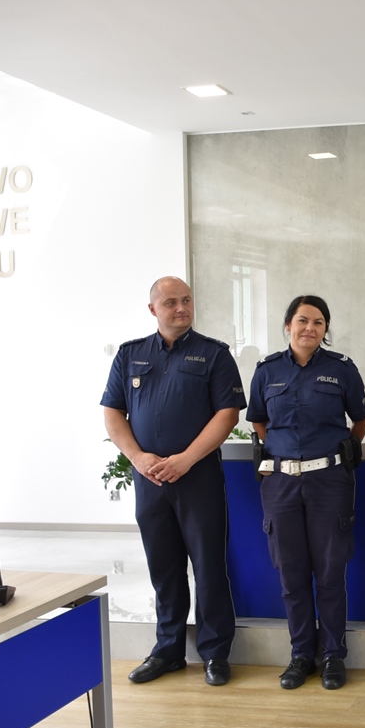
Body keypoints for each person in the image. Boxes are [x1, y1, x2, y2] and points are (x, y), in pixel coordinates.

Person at [102, 276, 245, 687]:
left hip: (198, 478)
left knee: (209, 567)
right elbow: (112, 412)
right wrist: (138, 457)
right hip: (150, 481)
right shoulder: (130, 354)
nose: (181, 308)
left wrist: (186, 459)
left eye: (186, 300)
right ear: (153, 309)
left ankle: (215, 653)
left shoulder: (214, 354)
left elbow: (227, 414)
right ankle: (168, 651)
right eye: (170, 302)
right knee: (163, 568)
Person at [247, 296, 365, 691]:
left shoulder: (342, 370)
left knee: (331, 572)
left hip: (329, 482)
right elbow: (260, 423)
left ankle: (333, 655)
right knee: (291, 573)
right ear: (288, 325)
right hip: (281, 484)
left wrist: (337, 452)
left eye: (318, 322)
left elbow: (361, 420)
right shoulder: (266, 371)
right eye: (302, 320)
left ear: (325, 329)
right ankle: (301, 654)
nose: (310, 328)